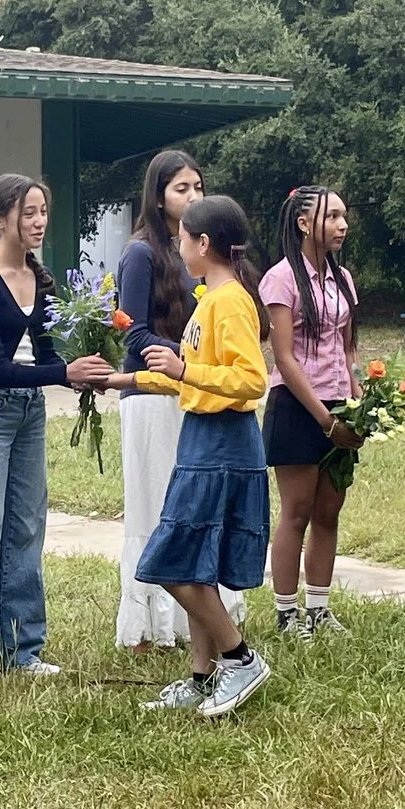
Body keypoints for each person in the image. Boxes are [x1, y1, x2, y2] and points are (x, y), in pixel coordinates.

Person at [96, 194, 273, 717]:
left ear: (203, 243)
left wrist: (183, 371)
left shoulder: (231, 302)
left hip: (223, 445)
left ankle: (240, 660)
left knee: (171, 560)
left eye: (183, 238)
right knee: (198, 562)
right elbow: (185, 375)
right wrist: (125, 379)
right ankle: (201, 676)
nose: (177, 245)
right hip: (202, 439)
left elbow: (250, 381)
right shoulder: (207, 299)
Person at [0, 174, 114, 685]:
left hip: (27, 414)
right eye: (29, 213)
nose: (39, 222)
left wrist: (89, 367)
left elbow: (45, 356)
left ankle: (23, 650)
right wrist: (65, 373)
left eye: (43, 211)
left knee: (25, 529)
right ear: (0, 219)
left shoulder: (42, 281)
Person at [115, 149, 239, 649]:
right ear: (158, 194)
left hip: (192, 388)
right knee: (151, 506)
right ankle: (147, 625)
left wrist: (197, 367)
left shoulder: (204, 254)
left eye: (198, 187)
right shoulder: (141, 253)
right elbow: (132, 332)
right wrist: (190, 356)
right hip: (148, 394)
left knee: (190, 505)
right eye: (181, 188)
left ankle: (197, 620)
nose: (192, 196)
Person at [260, 185, 361, 639]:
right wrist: (324, 418)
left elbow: (346, 346)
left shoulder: (343, 279)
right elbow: (283, 357)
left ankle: (319, 608)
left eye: (344, 216)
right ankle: (286, 613)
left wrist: (358, 405)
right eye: (332, 217)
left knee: (329, 510)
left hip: (340, 406)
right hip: (299, 407)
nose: (342, 225)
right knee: (296, 510)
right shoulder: (280, 279)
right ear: (304, 224)